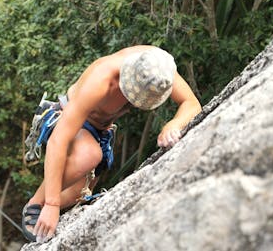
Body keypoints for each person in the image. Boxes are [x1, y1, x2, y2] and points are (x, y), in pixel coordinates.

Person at [21, 45, 202, 243]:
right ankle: (35, 205)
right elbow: (59, 140)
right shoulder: (103, 79)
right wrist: (51, 204)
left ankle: (51, 199)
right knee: (89, 155)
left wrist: (173, 125)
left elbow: (191, 104)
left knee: (77, 195)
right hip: (67, 121)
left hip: (101, 133)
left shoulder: (159, 69)